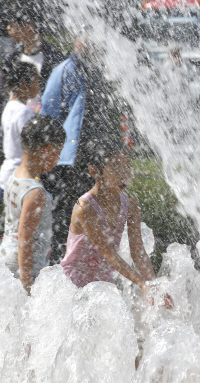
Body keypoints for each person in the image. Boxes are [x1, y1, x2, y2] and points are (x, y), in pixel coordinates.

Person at [60, 138, 173, 308]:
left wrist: (153, 285)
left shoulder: (130, 203)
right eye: (115, 167)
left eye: (127, 166)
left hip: (105, 284)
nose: (124, 174)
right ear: (94, 171)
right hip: (74, 283)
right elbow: (110, 254)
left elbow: (138, 251)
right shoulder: (85, 207)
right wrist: (142, 285)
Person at [40, 27, 117, 263]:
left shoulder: (97, 72)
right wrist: (48, 153)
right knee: (65, 211)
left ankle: (84, 259)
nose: (95, 44)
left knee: (88, 208)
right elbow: (47, 115)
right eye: (89, 38)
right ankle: (59, 262)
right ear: (77, 41)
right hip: (67, 158)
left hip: (91, 158)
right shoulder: (64, 70)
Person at [0, 115, 65, 293]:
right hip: (25, 267)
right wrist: (27, 284)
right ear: (48, 149)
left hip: (6, 255)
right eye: (58, 152)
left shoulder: (14, 176)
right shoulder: (35, 192)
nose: (58, 159)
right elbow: (25, 239)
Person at [0, 5, 64, 115]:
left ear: (29, 26)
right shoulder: (11, 59)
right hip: (13, 120)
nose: (8, 28)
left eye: (12, 24)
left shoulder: (54, 59)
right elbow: (3, 94)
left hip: (41, 125)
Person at [1, 62, 38, 195]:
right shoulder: (24, 112)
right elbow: (32, 145)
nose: (38, 87)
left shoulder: (9, 107)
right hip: (19, 177)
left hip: (6, 174)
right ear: (24, 86)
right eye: (36, 82)